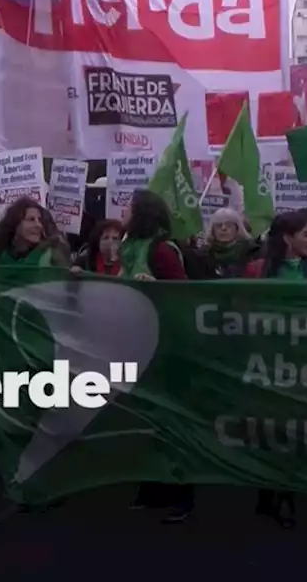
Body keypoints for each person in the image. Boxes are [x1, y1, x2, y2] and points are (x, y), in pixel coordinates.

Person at [116, 191, 192, 523]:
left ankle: (181, 492)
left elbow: (183, 293)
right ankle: (152, 485)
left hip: (164, 349)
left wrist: (156, 286)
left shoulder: (161, 251)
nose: (121, 211)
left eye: (127, 207)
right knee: (145, 420)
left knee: (169, 422)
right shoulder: (129, 249)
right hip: (136, 345)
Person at [0, 198, 71, 266]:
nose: (39, 225)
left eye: (40, 220)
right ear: (15, 224)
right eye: (31, 219)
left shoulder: (52, 256)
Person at [188, 208, 258, 279]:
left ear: (237, 228)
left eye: (229, 225)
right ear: (212, 230)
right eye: (218, 225)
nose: (223, 228)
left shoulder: (252, 252)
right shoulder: (201, 256)